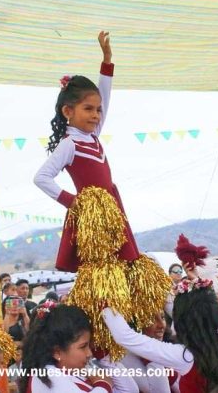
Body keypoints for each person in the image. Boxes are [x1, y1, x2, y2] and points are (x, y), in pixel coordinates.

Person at [33, 31, 140, 273]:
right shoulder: (69, 144)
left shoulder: (93, 134)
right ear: (68, 111)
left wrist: (107, 60)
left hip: (112, 209)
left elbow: (106, 94)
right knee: (103, 272)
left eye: (98, 110)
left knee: (125, 267)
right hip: (93, 217)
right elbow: (41, 178)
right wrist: (75, 203)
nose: (95, 114)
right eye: (88, 108)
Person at [21, 302, 133, 393]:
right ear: (57, 352)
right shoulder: (46, 375)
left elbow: (129, 389)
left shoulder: (75, 369)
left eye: (90, 345)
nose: (90, 353)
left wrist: (104, 357)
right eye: (83, 346)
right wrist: (103, 385)